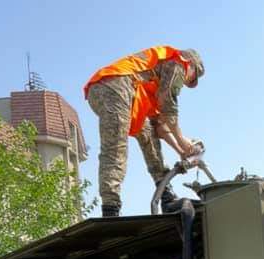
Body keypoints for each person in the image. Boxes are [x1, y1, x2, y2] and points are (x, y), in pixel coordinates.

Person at [84, 46, 204, 217]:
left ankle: (166, 195)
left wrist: (181, 150)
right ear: (192, 65)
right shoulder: (178, 62)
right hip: (113, 86)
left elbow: (160, 128)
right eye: (192, 78)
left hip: (123, 93)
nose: (187, 82)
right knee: (116, 148)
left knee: (148, 134)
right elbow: (169, 103)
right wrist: (183, 140)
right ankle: (110, 208)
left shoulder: (155, 80)